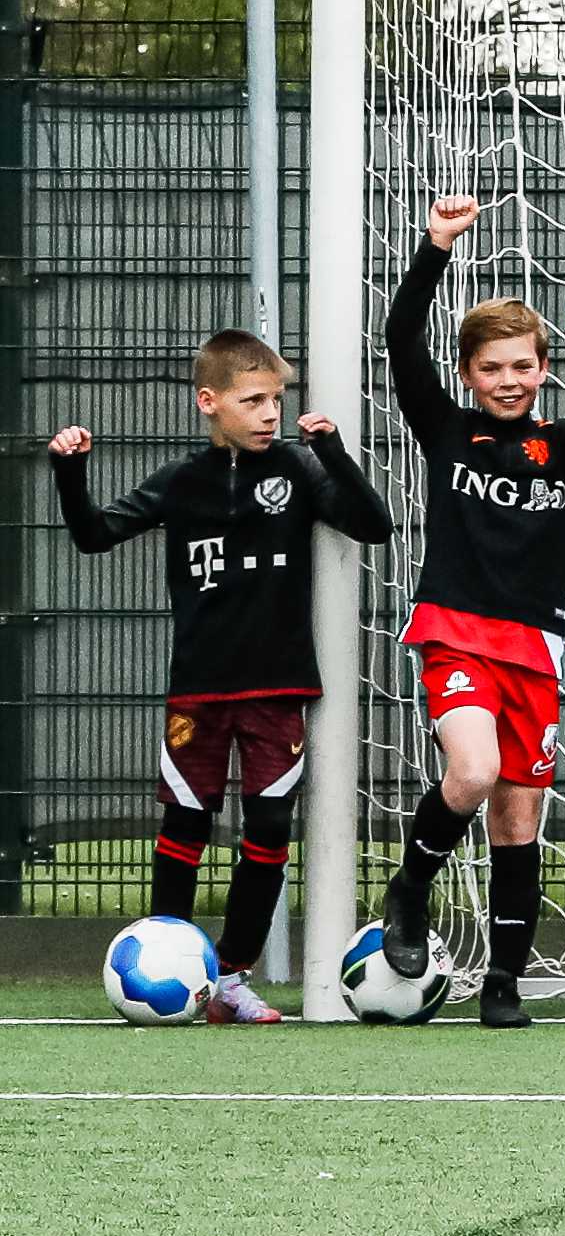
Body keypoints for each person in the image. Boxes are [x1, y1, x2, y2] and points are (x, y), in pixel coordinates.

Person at [51, 330, 392, 1024]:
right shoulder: (181, 482)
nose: (270, 413)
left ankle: (232, 978)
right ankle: (162, 957)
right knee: (185, 822)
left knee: (268, 828)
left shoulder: (298, 469)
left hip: (277, 689)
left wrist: (332, 451)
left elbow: (374, 524)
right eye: (254, 400)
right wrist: (69, 470)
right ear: (211, 403)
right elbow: (92, 534)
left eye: (277, 399)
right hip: (199, 690)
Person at [376, 194, 565, 1028]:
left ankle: (505, 983)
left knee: (518, 816)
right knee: (472, 775)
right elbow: (402, 340)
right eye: (492, 368)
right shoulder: (445, 427)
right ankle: (410, 889)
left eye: (523, 366)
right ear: (469, 374)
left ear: (541, 368)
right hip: (454, 629)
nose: (509, 381)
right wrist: (436, 245)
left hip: (536, 645)